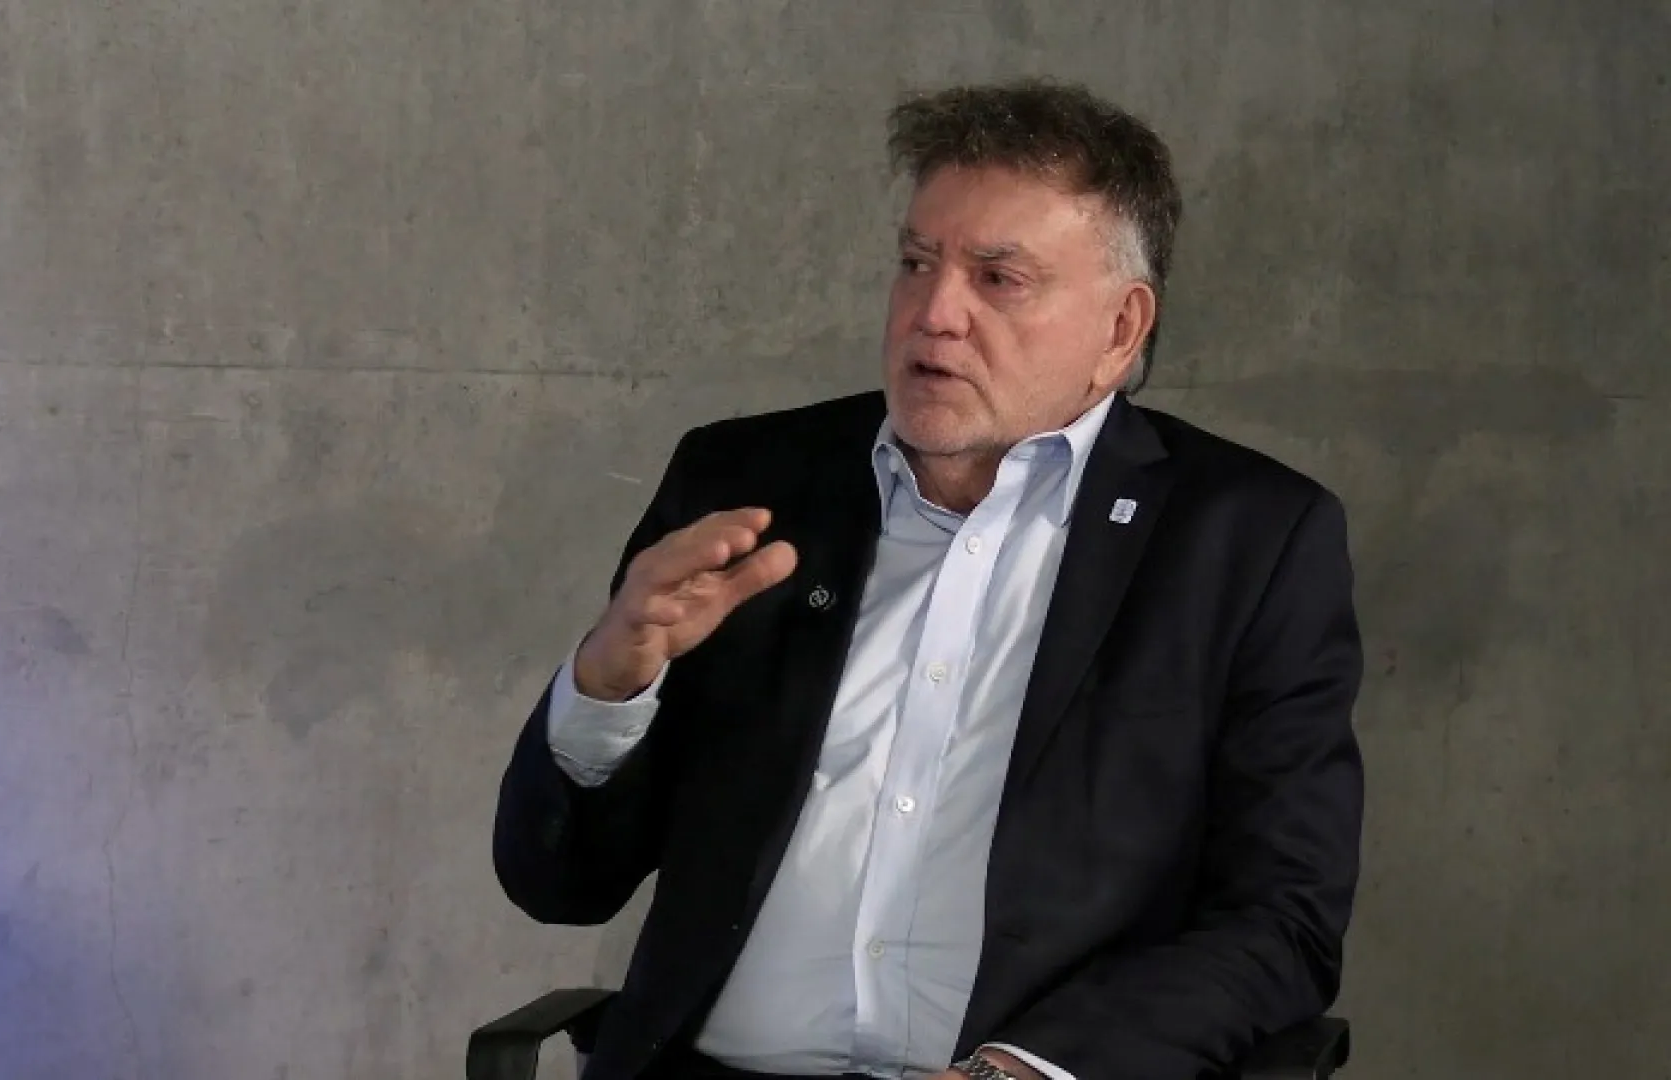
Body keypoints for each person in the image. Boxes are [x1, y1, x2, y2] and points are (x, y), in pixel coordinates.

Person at [492, 77, 1364, 1080]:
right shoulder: (747, 489)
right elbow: (559, 883)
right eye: (917, 263)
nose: (934, 313)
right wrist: (609, 687)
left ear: (1121, 331)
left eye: (999, 278)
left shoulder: (1245, 542)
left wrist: (1029, 1070)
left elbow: (1281, 921)